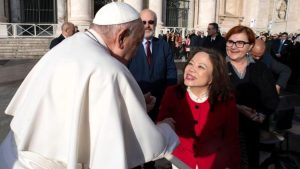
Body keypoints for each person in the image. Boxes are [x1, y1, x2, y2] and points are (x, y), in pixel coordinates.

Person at [0, 2, 179, 169]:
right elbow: (117, 147)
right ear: (122, 36)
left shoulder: (70, 45)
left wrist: (133, 103)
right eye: (137, 43)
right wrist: (165, 131)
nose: (135, 52)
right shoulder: (109, 69)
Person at [157, 48, 240, 169]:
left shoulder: (226, 100)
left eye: (201, 67)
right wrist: (162, 126)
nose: (191, 69)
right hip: (180, 162)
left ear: (213, 77)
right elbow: (161, 128)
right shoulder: (173, 93)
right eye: (190, 63)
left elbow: (231, 139)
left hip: (214, 163)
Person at [225, 25, 279, 169]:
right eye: (230, 42)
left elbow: (271, 98)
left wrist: (262, 114)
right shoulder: (217, 68)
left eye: (240, 43)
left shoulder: (261, 69)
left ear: (250, 47)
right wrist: (236, 108)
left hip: (252, 132)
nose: (234, 47)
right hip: (223, 133)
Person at [128, 9, 177, 122]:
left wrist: (168, 99)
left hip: (159, 103)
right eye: (143, 22)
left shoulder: (164, 46)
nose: (147, 26)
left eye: (151, 22)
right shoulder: (130, 45)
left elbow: (171, 73)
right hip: (136, 102)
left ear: (155, 24)